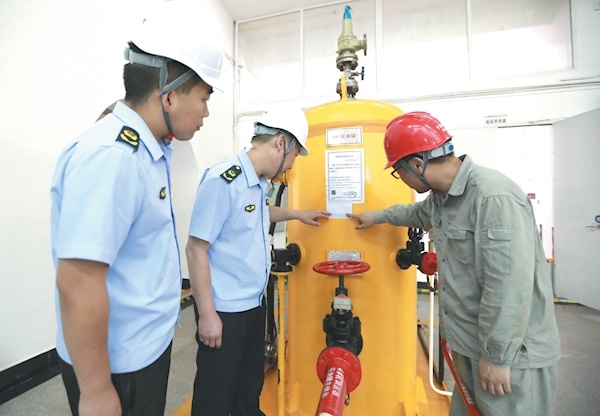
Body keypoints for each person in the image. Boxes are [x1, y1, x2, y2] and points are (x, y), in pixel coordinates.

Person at [49, 1, 225, 415]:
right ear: (169, 94)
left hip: (143, 348)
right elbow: (78, 281)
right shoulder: (114, 157)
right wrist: (96, 390)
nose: (206, 111)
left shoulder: (147, 148)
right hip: (117, 365)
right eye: (204, 97)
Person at [347, 112, 560, 416]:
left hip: (510, 358)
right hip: (470, 345)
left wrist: (497, 358)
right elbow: (416, 214)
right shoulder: (442, 196)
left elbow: (509, 287)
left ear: (417, 164)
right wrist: (376, 217)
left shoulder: (492, 197)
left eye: (397, 171)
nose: (400, 178)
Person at [186, 107, 331, 415]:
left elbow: (260, 213)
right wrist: (207, 316)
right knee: (216, 391)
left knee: (249, 384)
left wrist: (298, 214)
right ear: (280, 143)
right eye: (294, 157)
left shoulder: (258, 182)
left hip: (253, 303)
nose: (291, 165)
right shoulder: (223, 180)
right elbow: (196, 249)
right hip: (225, 310)